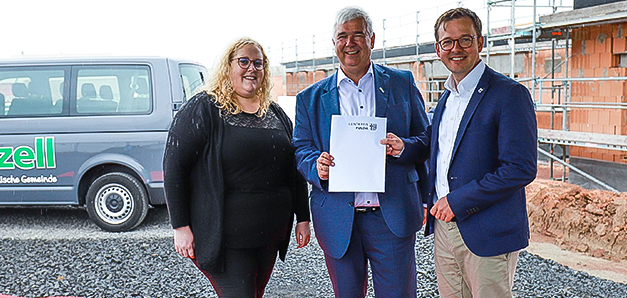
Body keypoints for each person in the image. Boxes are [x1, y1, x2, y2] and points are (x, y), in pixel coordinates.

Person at [381, 7, 538, 298]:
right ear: (438, 49)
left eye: (465, 40)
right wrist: (406, 147)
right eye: (448, 42)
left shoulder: (508, 94)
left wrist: (457, 201)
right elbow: (438, 143)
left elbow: (520, 168)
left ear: (480, 42)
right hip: (445, 228)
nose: (456, 48)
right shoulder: (447, 96)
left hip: (487, 230)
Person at [292, 6, 429, 298]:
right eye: (342, 36)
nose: (350, 43)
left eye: (358, 35)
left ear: (372, 39)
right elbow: (301, 148)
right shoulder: (310, 98)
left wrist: (405, 147)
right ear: (334, 43)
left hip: (391, 215)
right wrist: (316, 166)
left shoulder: (402, 83)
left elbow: (427, 138)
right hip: (339, 218)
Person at [163, 37, 311, 298]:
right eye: (243, 61)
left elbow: (294, 168)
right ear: (227, 66)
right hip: (225, 240)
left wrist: (303, 217)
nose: (251, 68)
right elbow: (174, 166)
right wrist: (180, 226)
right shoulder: (205, 108)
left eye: (258, 63)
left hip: (268, 236)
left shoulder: (274, 113)